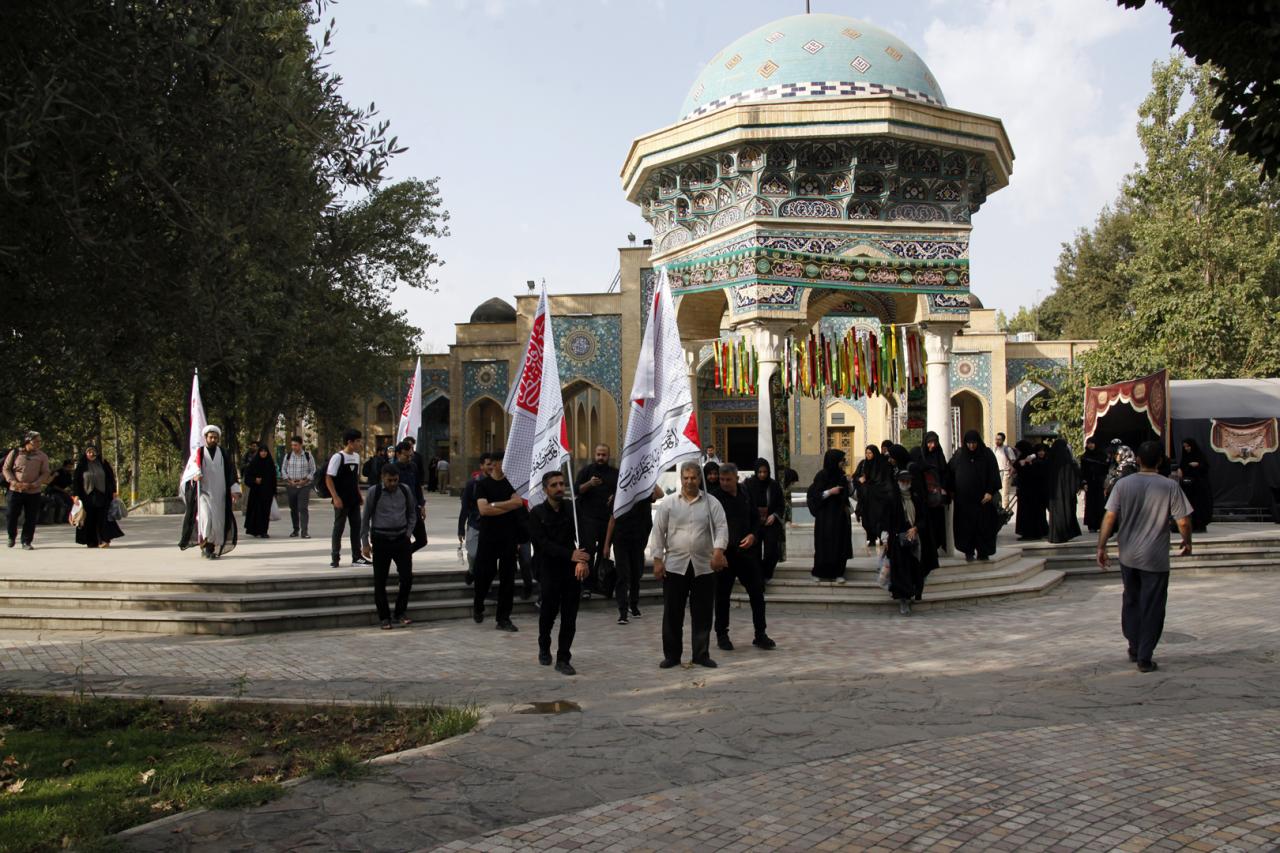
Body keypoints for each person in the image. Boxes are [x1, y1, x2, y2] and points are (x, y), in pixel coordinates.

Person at [1097, 440, 1194, 673]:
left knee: (1131, 600)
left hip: (1128, 555)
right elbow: (1183, 521)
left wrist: (1101, 546)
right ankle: (1145, 655)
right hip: (1155, 557)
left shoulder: (1123, 484)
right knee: (1153, 606)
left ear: (1138, 460)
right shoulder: (1169, 486)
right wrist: (1187, 541)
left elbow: (1110, 517)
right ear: (1160, 461)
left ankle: (1134, 645)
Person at [650, 461, 729, 669]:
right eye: (686, 478)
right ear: (681, 479)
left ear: (699, 479)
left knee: (703, 613)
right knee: (673, 614)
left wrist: (719, 551)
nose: (689, 481)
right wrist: (657, 560)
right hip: (675, 565)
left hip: (704, 566)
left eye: (693, 477)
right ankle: (672, 655)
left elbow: (721, 527)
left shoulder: (711, 503)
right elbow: (658, 531)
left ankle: (701, 655)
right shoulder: (669, 503)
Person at [529, 470, 592, 674]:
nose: (559, 488)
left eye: (561, 484)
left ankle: (563, 658)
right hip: (548, 569)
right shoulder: (537, 513)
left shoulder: (573, 508)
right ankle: (544, 647)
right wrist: (570, 555)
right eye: (554, 485)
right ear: (545, 489)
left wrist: (583, 559)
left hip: (571, 571)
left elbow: (585, 535)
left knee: (570, 616)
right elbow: (542, 544)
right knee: (548, 613)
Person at [712, 464, 775, 652]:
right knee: (722, 596)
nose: (724, 483)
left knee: (757, 594)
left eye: (728, 480)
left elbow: (756, 519)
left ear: (736, 478)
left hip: (747, 554)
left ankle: (760, 634)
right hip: (725, 555)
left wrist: (753, 535)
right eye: (722, 479)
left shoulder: (746, 493)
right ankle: (722, 635)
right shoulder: (714, 498)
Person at [880, 450, 938, 615]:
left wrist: (915, 528)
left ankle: (912, 593)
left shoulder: (915, 498)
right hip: (897, 540)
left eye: (907, 481)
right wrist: (885, 538)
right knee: (901, 570)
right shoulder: (892, 499)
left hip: (914, 539)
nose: (905, 483)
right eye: (902, 481)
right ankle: (903, 600)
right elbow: (886, 520)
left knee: (914, 569)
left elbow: (923, 517)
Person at [360, 464, 417, 630]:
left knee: (407, 577)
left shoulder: (405, 490)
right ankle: (384, 617)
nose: (393, 483)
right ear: (382, 478)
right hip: (381, 540)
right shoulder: (374, 492)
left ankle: (400, 612)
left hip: (401, 539)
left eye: (395, 480)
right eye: (389, 480)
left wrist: (408, 533)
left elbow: (412, 514)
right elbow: (365, 518)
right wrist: (365, 543)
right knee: (380, 580)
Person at [474, 450, 524, 631]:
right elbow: (484, 510)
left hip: (508, 537)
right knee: (484, 575)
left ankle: (503, 618)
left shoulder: (512, 484)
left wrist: (494, 504)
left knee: (508, 579)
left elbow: (518, 503)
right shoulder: (482, 485)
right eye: (504, 462)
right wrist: (507, 505)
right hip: (488, 537)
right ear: (495, 464)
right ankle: (478, 605)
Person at [603, 483, 662, 624]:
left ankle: (633, 605)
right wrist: (606, 545)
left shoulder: (643, 494)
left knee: (636, 574)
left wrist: (650, 478)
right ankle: (622, 612)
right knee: (623, 575)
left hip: (638, 541)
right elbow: (612, 521)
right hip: (621, 540)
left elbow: (660, 494)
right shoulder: (618, 496)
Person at [179, 425, 240, 559]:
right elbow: (188, 474)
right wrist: (194, 478)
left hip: (220, 494)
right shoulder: (198, 453)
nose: (213, 440)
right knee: (206, 518)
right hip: (203, 493)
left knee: (218, 522)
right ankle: (206, 545)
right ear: (205, 438)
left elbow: (231, 473)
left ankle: (210, 548)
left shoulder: (223, 453)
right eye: (211, 437)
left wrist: (234, 490)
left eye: (215, 438)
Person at [947, 430, 1000, 562]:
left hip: (983, 500)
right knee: (966, 527)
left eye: (974, 443)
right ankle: (968, 551)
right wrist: (951, 491)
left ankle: (983, 552)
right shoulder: (960, 455)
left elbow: (993, 474)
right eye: (969, 443)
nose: (971, 446)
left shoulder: (986, 454)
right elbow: (949, 473)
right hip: (964, 501)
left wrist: (990, 491)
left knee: (984, 526)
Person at [576, 444, 619, 591]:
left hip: (607, 520)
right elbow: (577, 490)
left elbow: (622, 490)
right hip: (588, 519)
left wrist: (615, 496)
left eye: (604, 455)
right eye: (598, 454)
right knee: (588, 551)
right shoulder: (586, 471)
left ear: (608, 456)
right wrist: (590, 483)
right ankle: (586, 585)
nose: (601, 457)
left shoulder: (615, 473)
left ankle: (598, 583)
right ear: (594, 455)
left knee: (603, 552)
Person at [806, 449, 853, 581]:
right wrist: (830, 492)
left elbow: (847, 494)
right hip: (825, 516)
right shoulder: (821, 476)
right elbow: (814, 496)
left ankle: (838, 573)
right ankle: (819, 573)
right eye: (841, 460)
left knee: (839, 543)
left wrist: (849, 484)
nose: (843, 463)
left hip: (839, 516)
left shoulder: (841, 476)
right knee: (823, 544)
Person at [326, 429, 368, 568]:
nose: (360, 444)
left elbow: (354, 479)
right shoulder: (338, 457)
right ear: (350, 442)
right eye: (358, 441)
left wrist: (359, 494)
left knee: (356, 527)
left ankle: (357, 557)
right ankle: (335, 557)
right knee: (339, 528)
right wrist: (335, 497)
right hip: (341, 499)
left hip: (353, 498)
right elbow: (329, 478)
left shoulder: (356, 457)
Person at [4, 431, 51, 550]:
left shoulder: (42, 456)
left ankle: (26, 541)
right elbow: (6, 469)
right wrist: (14, 482)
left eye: (39, 441)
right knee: (11, 514)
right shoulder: (15, 453)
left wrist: (34, 484)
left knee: (31, 517)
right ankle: (11, 536)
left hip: (33, 492)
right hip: (15, 490)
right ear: (27, 441)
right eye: (35, 441)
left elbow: (45, 473)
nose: (38, 443)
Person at [73, 445, 124, 548]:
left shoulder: (103, 463)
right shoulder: (82, 466)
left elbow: (110, 478)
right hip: (87, 496)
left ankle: (104, 540)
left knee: (103, 518)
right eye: (89, 452)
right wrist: (76, 495)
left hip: (103, 495)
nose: (91, 454)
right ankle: (92, 541)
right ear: (86, 454)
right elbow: (76, 481)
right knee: (89, 518)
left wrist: (114, 491)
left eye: (93, 452)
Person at [744, 458, 785, 582]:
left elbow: (780, 504)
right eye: (760, 472)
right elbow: (745, 502)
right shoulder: (748, 484)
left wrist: (774, 515)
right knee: (754, 551)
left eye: (765, 472)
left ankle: (766, 573)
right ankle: (758, 575)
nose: (762, 475)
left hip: (770, 523)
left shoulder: (774, 485)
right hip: (754, 524)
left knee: (771, 551)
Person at [457, 453, 492, 584]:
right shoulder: (472, 484)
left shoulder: (497, 483)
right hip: (474, 524)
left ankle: (484, 586)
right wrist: (461, 529)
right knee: (473, 554)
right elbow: (465, 508)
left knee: (487, 558)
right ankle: (471, 571)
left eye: (493, 464)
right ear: (481, 466)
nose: (491, 467)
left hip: (492, 526)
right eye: (488, 464)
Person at [916, 431, 949, 556]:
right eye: (930, 442)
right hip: (925, 497)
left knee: (938, 524)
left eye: (934, 442)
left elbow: (945, 473)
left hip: (937, 498)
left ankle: (936, 547)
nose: (932, 445)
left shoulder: (939, 456)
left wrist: (943, 488)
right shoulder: (921, 456)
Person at [852, 445, 890, 549]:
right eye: (866, 453)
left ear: (875, 453)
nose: (868, 455)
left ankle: (882, 538)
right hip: (866, 498)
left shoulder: (881, 465)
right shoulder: (863, 464)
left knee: (879, 518)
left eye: (870, 453)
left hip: (878, 498)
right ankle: (871, 538)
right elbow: (855, 476)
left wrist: (869, 481)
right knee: (867, 518)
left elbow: (882, 480)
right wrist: (859, 479)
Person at [394, 441, 429, 552]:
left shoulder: (413, 467)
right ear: (398, 454)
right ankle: (403, 559)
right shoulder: (392, 469)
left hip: (414, 509)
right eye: (406, 456)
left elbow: (417, 487)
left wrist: (422, 505)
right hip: (400, 511)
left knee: (422, 540)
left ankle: (403, 555)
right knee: (404, 540)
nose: (409, 458)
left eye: (411, 455)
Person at [1047, 438, 1083, 543]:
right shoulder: (1069, 462)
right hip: (1067, 494)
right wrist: (1076, 488)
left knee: (1056, 514)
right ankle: (1066, 534)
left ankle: (1056, 536)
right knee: (1067, 512)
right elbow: (1076, 477)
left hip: (1054, 494)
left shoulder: (1050, 461)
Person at [1175, 438, 1213, 532]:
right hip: (1188, 486)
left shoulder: (1199, 456)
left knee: (1198, 506)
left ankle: (1199, 525)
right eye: (1185, 447)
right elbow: (1183, 466)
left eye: (1188, 446)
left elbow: (1205, 467)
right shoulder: (1185, 456)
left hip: (1199, 486)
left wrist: (1198, 465)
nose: (1187, 448)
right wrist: (1180, 469)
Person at [280, 436, 315, 539]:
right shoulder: (288, 456)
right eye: (292, 445)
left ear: (300, 445)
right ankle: (295, 529)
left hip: (304, 485)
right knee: (293, 508)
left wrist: (305, 480)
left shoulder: (308, 456)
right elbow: (283, 470)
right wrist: (289, 480)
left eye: (295, 445)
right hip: (291, 485)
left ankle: (304, 531)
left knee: (303, 508)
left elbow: (313, 470)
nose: (293, 447)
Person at [1014, 440, 1048, 541]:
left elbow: (1034, 474)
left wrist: (1026, 464)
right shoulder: (1024, 458)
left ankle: (1031, 533)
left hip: (1031, 492)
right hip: (1024, 491)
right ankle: (1028, 532)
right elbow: (1016, 465)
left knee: (1029, 513)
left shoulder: (1033, 460)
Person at [243, 445, 278, 538]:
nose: (263, 453)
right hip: (256, 492)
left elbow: (274, 478)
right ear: (259, 452)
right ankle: (255, 530)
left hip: (267, 492)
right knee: (256, 511)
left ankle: (263, 531)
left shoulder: (270, 463)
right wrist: (254, 480)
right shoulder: (254, 463)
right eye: (261, 451)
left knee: (265, 512)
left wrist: (274, 491)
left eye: (265, 451)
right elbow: (247, 477)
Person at [1080, 438, 1109, 533]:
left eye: (1092, 443)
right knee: (1090, 504)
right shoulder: (1085, 457)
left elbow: (1106, 469)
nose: (1090, 445)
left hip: (1100, 483)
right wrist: (1084, 483)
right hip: (1090, 484)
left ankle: (1101, 524)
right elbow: (1083, 471)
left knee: (1100, 503)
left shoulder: (1102, 456)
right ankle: (1092, 525)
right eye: (1089, 443)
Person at [45, 459, 75, 524]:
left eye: (71, 467)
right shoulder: (57, 472)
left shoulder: (68, 474)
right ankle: (57, 519)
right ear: (64, 466)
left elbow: (70, 484)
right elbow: (52, 485)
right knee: (60, 502)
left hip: (63, 492)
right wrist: (63, 490)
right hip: (54, 491)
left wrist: (71, 490)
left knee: (71, 501)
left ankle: (66, 518)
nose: (70, 468)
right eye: (68, 467)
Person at [994, 432, 1017, 511]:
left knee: (1005, 493)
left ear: (1003, 440)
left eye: (999, 439)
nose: (997, 441)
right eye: (996, 439)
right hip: (998, 472)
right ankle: (1001, 509)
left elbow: (1013, 461)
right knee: (999, 492)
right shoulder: (995, 449)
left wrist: (1011, 472)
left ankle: (1005, 511)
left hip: (1006, 472)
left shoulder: (1007, 449)